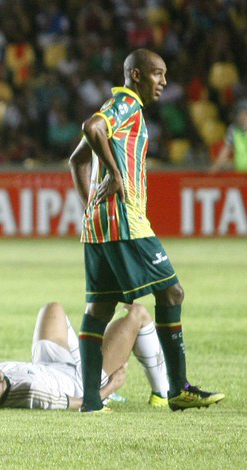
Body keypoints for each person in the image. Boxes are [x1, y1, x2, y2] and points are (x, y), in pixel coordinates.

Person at [68, 48, 224, 412]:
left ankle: (91, 401)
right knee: (172, 294)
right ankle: (179, 389)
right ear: (136, 75)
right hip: (126, 221)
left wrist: (89, 205)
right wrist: (115, 173)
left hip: (99, 226)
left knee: (98, 310)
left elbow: (76, 159)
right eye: (157, 74)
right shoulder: (125, 105)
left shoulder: (119, 111)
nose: (164, 82)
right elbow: (91, 129)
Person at [0, 302, 170, 411]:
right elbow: (79, 403)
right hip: (82, 381)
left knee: (53, 308)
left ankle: (92, 340)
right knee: (137, 313)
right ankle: (162, 394)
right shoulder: (30, 393)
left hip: (48, 363)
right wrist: (109, 389)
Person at [210, 99, 247, 173]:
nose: (239, 116)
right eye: (238, 113)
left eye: (242, 113)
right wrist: (215, 168)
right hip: (240, 173)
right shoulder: (233, 129)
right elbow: (226, 150)